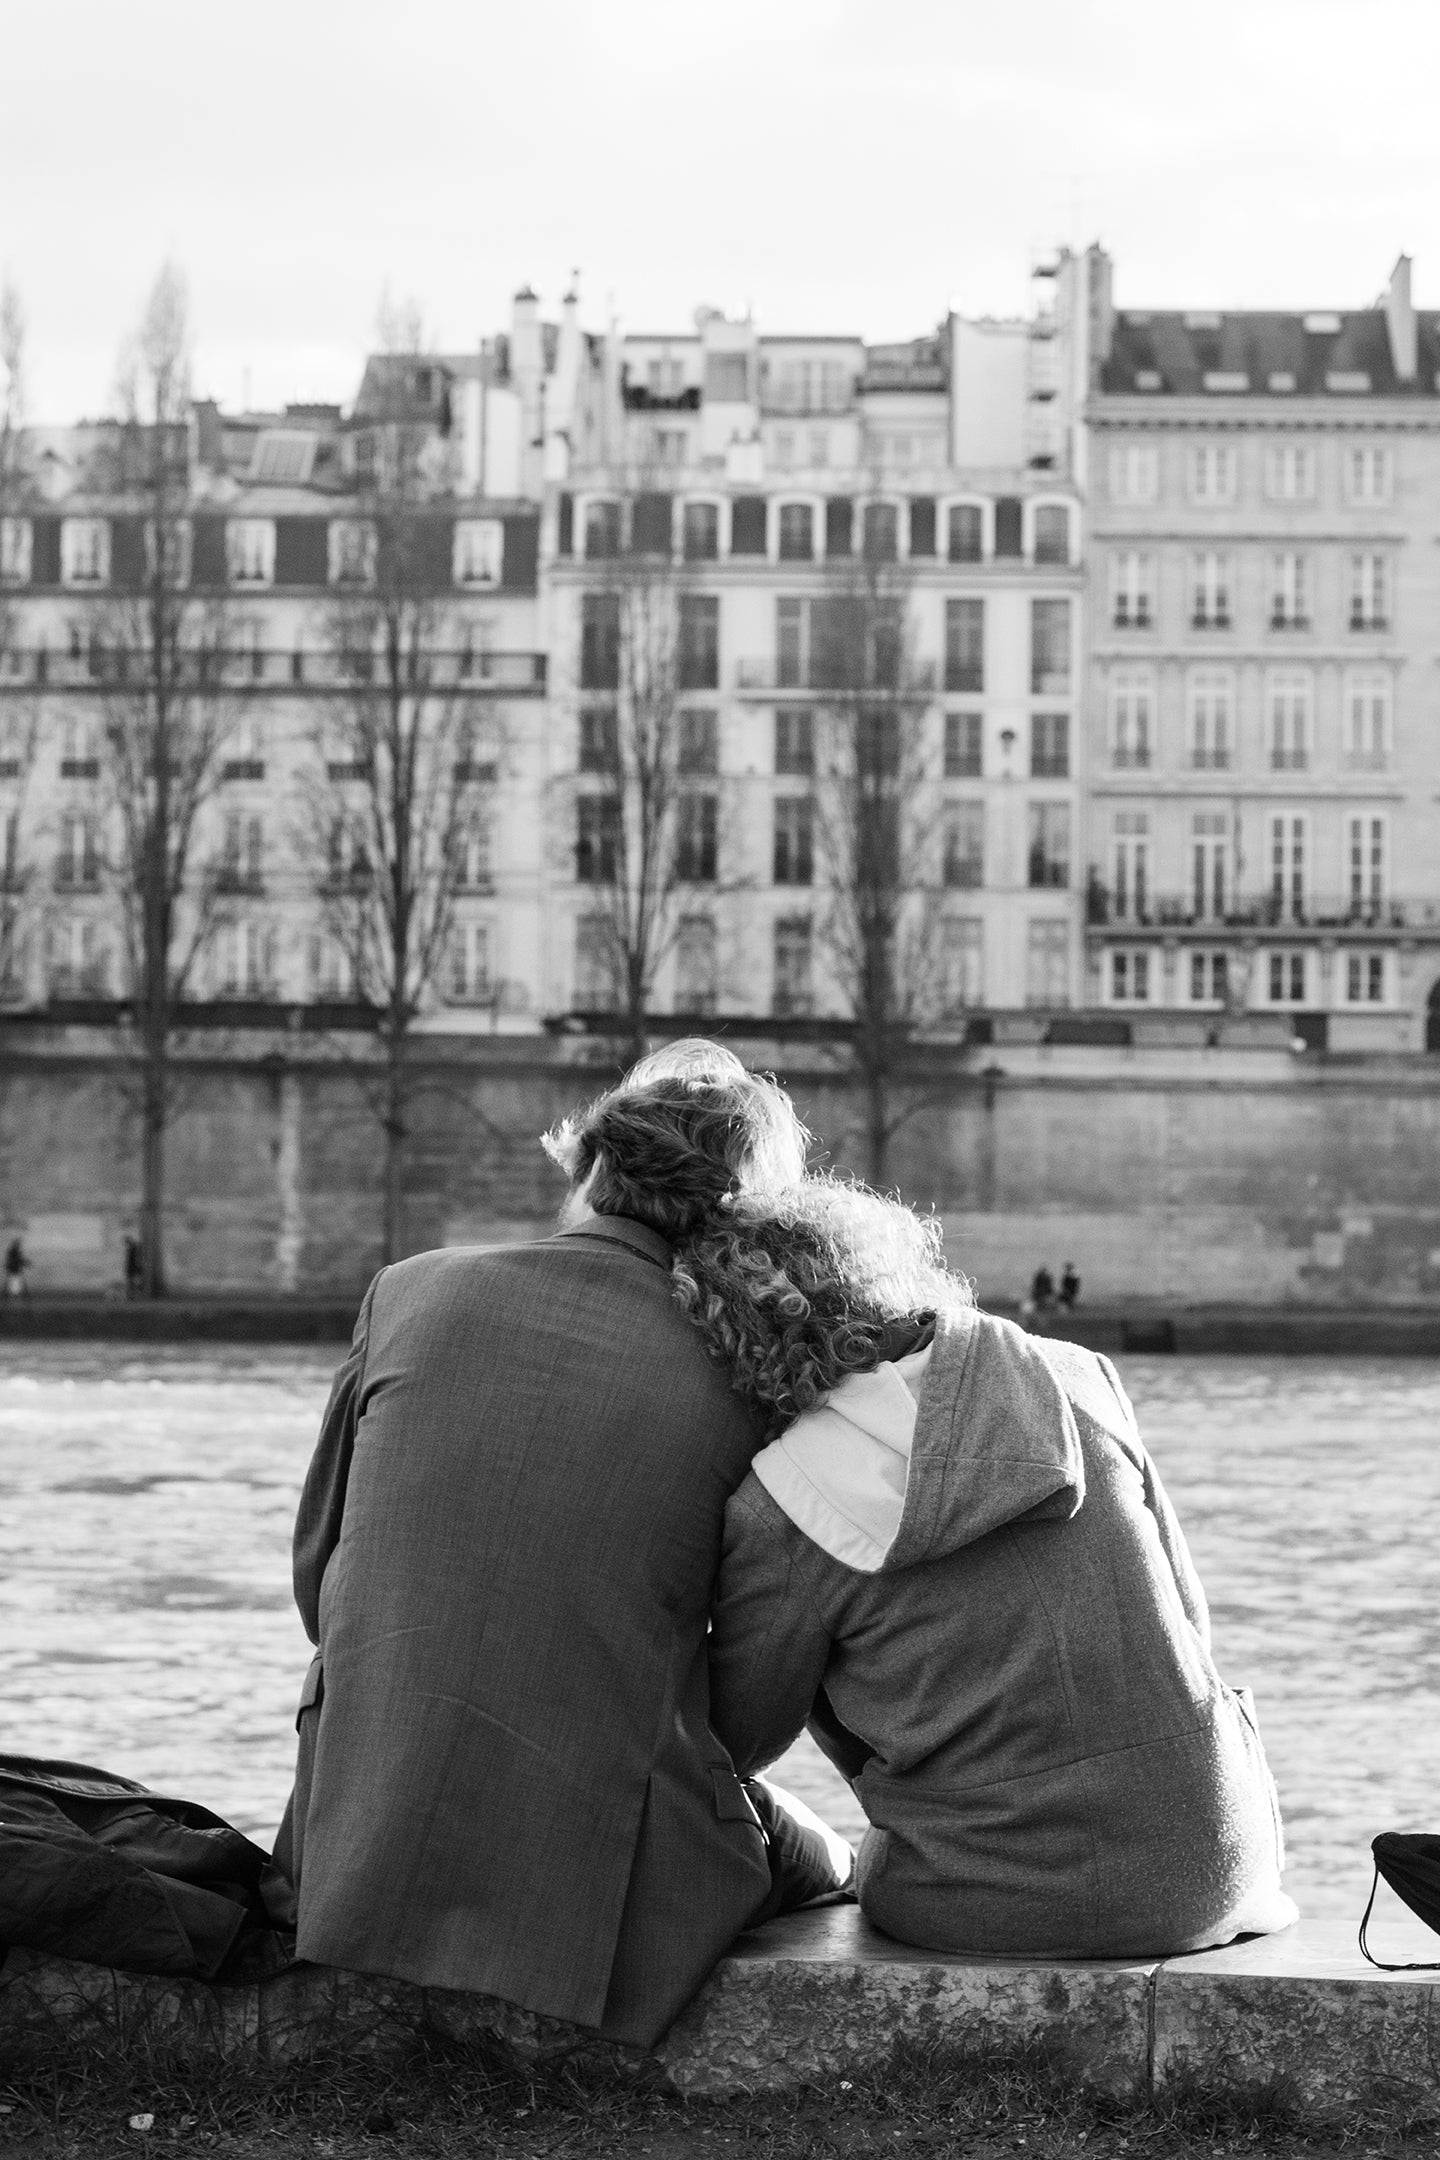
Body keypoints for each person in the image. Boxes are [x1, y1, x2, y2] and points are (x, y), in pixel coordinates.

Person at [273, 1041, 851, 2050]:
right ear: (752, 1209)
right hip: (600, 1890)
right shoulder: (755, 1366)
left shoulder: (409, 1291)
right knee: (834, 1863)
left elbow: (320, 1576)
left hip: (350, 1841)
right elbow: (758, 1692)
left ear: (588, 1163)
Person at [687, 1179, 1297, 1962]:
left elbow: (738, 1737)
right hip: (1218, 1866)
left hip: (989, 1897)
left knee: (829, 1850)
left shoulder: (777, 1508)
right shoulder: (1078, 1377)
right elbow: (1187, 1621)